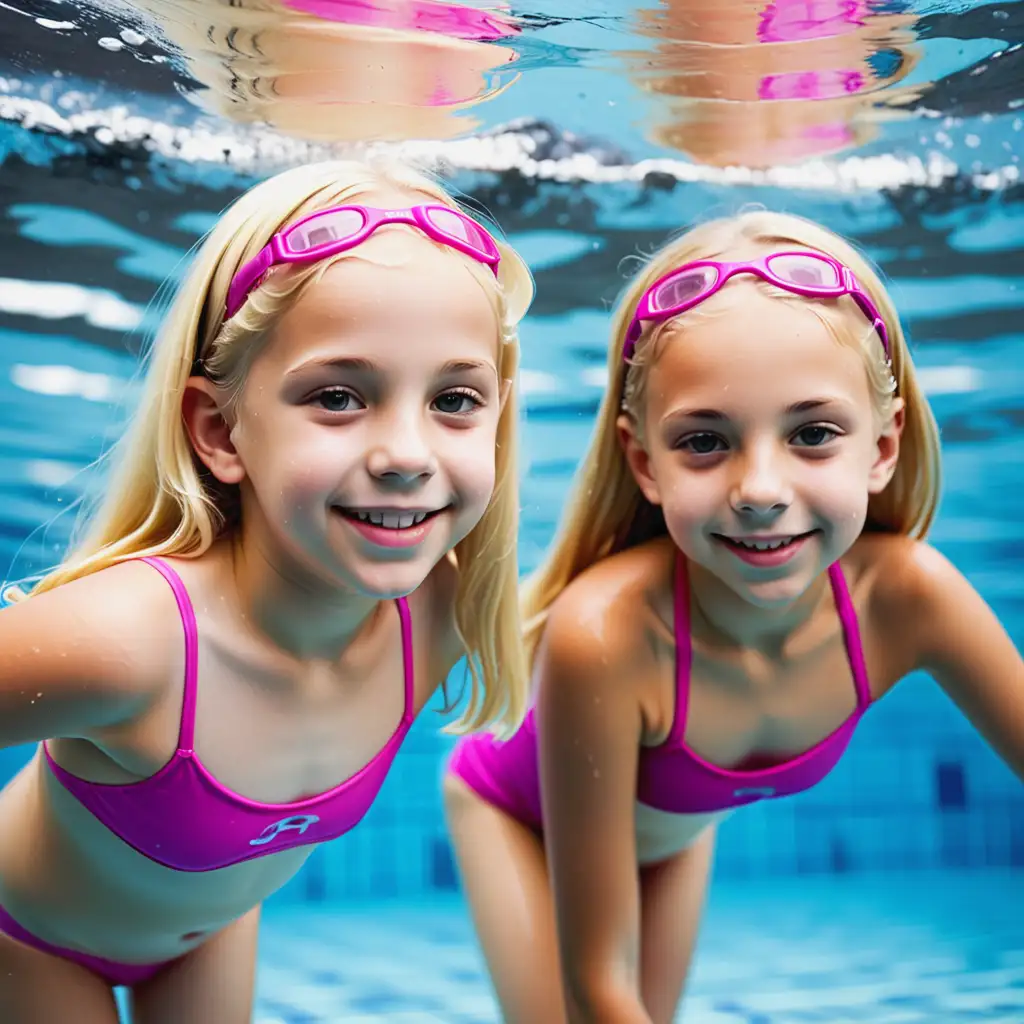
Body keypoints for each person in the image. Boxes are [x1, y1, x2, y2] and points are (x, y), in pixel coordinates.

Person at [444, 210, 1023, 1023]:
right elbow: (597, 981)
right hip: (513, 814)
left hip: (676, 830)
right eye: (705, 443)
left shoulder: (910, 599)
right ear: (645, 463)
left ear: (882, 447)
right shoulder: (606, 634)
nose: (760, 491)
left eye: (813, 434)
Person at [0, 157, 533, 1022]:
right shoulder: (131, 642)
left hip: (211, 932)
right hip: (26, 938)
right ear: (219, 430)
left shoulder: (439, 617)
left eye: (456, 399)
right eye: (337, 396)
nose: (406, 455)